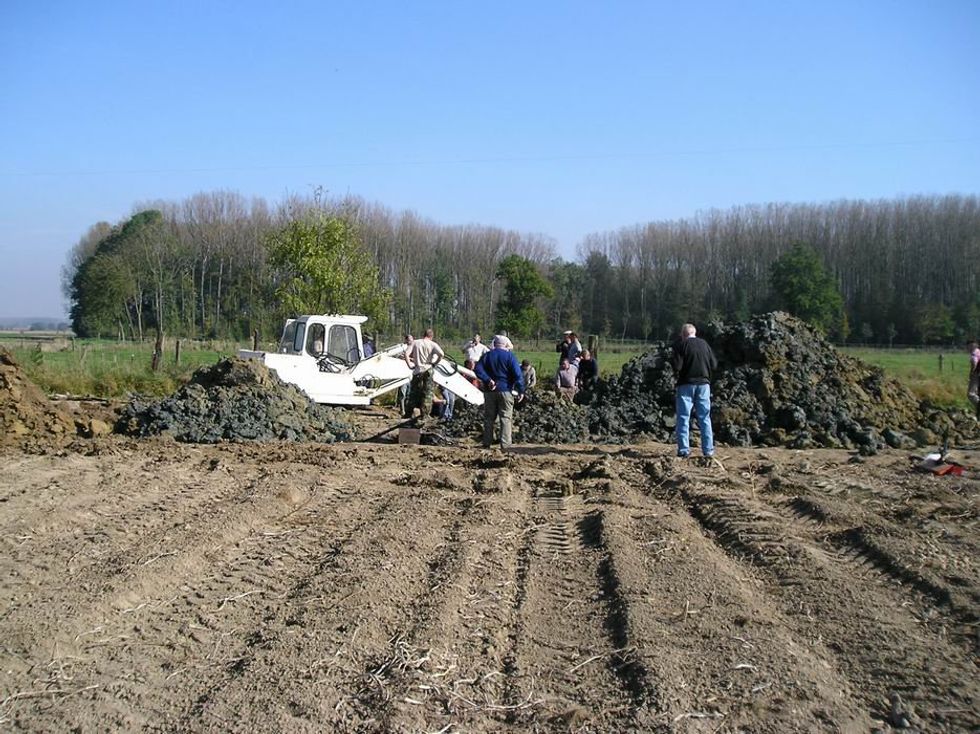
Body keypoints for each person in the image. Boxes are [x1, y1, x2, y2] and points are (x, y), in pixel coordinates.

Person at [671, 323, 717, 458]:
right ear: (694, 333)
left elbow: (677, 366)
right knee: (705, 418)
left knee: (683, 417)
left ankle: (684, 450)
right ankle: (708, 451)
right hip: (704, 385)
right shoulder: (704, 345)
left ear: (683, 334)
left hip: (686, 385)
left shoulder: (681, 345)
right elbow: (714, 364)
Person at [475, 335, 525, 449]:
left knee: (489, 418)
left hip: (489, 391)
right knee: (505, 418)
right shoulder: (509, 356)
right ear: (506, 345)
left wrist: (488, 380)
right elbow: (518, 375)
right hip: (506, 390)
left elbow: (478, 369)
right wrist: (521, 390)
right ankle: (505, 444)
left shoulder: (487, 355)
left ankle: (487, 442)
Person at [405, 328, 445, 421]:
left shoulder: (415, 342)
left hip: (417, 370)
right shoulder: (432, 344)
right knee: (427, 394)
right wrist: (435, 363)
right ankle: (425, 415)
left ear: (424, 334)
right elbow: (441, 354)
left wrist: (410, 365)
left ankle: (408, 413)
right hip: (428, 370)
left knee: (413, 393)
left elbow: (406, 354)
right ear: (431, 336)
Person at [399, 334, 414, 416]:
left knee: (409, 393)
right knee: (402, 393)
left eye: (411, 340)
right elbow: (399, 357)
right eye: (408, 340)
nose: (410, 341)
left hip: (411, 374)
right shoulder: (402, 349)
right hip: (403, 374)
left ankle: (408, 411)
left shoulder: (414, 349)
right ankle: (402, 410)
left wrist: (409, 358)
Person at [969, 340, 980, 412]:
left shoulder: (974, 353)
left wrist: (971, 373)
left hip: (977, 374)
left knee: (971, 394)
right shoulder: (978, 351)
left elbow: (974, 363)